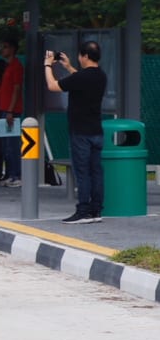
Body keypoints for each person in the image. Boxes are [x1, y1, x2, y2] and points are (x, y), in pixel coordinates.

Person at [45, 42, 107, 224]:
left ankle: (83, 211)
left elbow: (53, 86)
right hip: (96, 131)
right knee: (96, 171)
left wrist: (48, 64)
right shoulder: (100, 76)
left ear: (85, 56)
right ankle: (96, 210)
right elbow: (80, 79)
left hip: (80, 132)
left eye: (80, 56)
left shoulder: (81, 78)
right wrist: (68, 66)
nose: (79, 59)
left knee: (82, 172)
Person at [0, 38, 24, 187]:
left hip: (11, 111)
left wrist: (10, 110)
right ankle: (11, 173)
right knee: (6, 145)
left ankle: (17, 175)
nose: (3, 50)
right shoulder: (8, 67)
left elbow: (16, 89)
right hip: (4, 109)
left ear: (13, 49)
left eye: (6, 47)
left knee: (13, 144)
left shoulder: (16, 67)